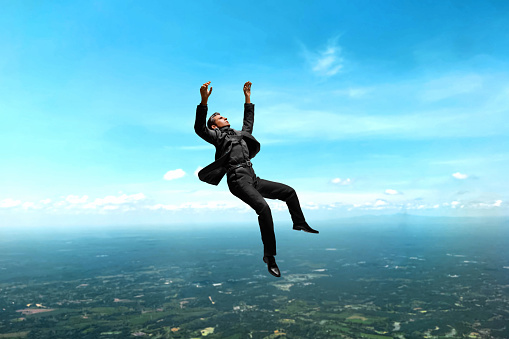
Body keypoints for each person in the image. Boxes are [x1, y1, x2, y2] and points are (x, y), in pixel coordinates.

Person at [194, 81, 319, 277]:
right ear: (213, 125)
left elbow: (248, 122)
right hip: (237, 180)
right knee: (264, 209)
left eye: (224, 116)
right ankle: (269, 258)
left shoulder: (240, 134)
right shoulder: (217, 137)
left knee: (289, 192)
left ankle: (299, 223)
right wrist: (203, 101)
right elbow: (200, 128)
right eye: (220, 117)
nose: (225, 117)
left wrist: (248, 98)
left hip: (252, 177)